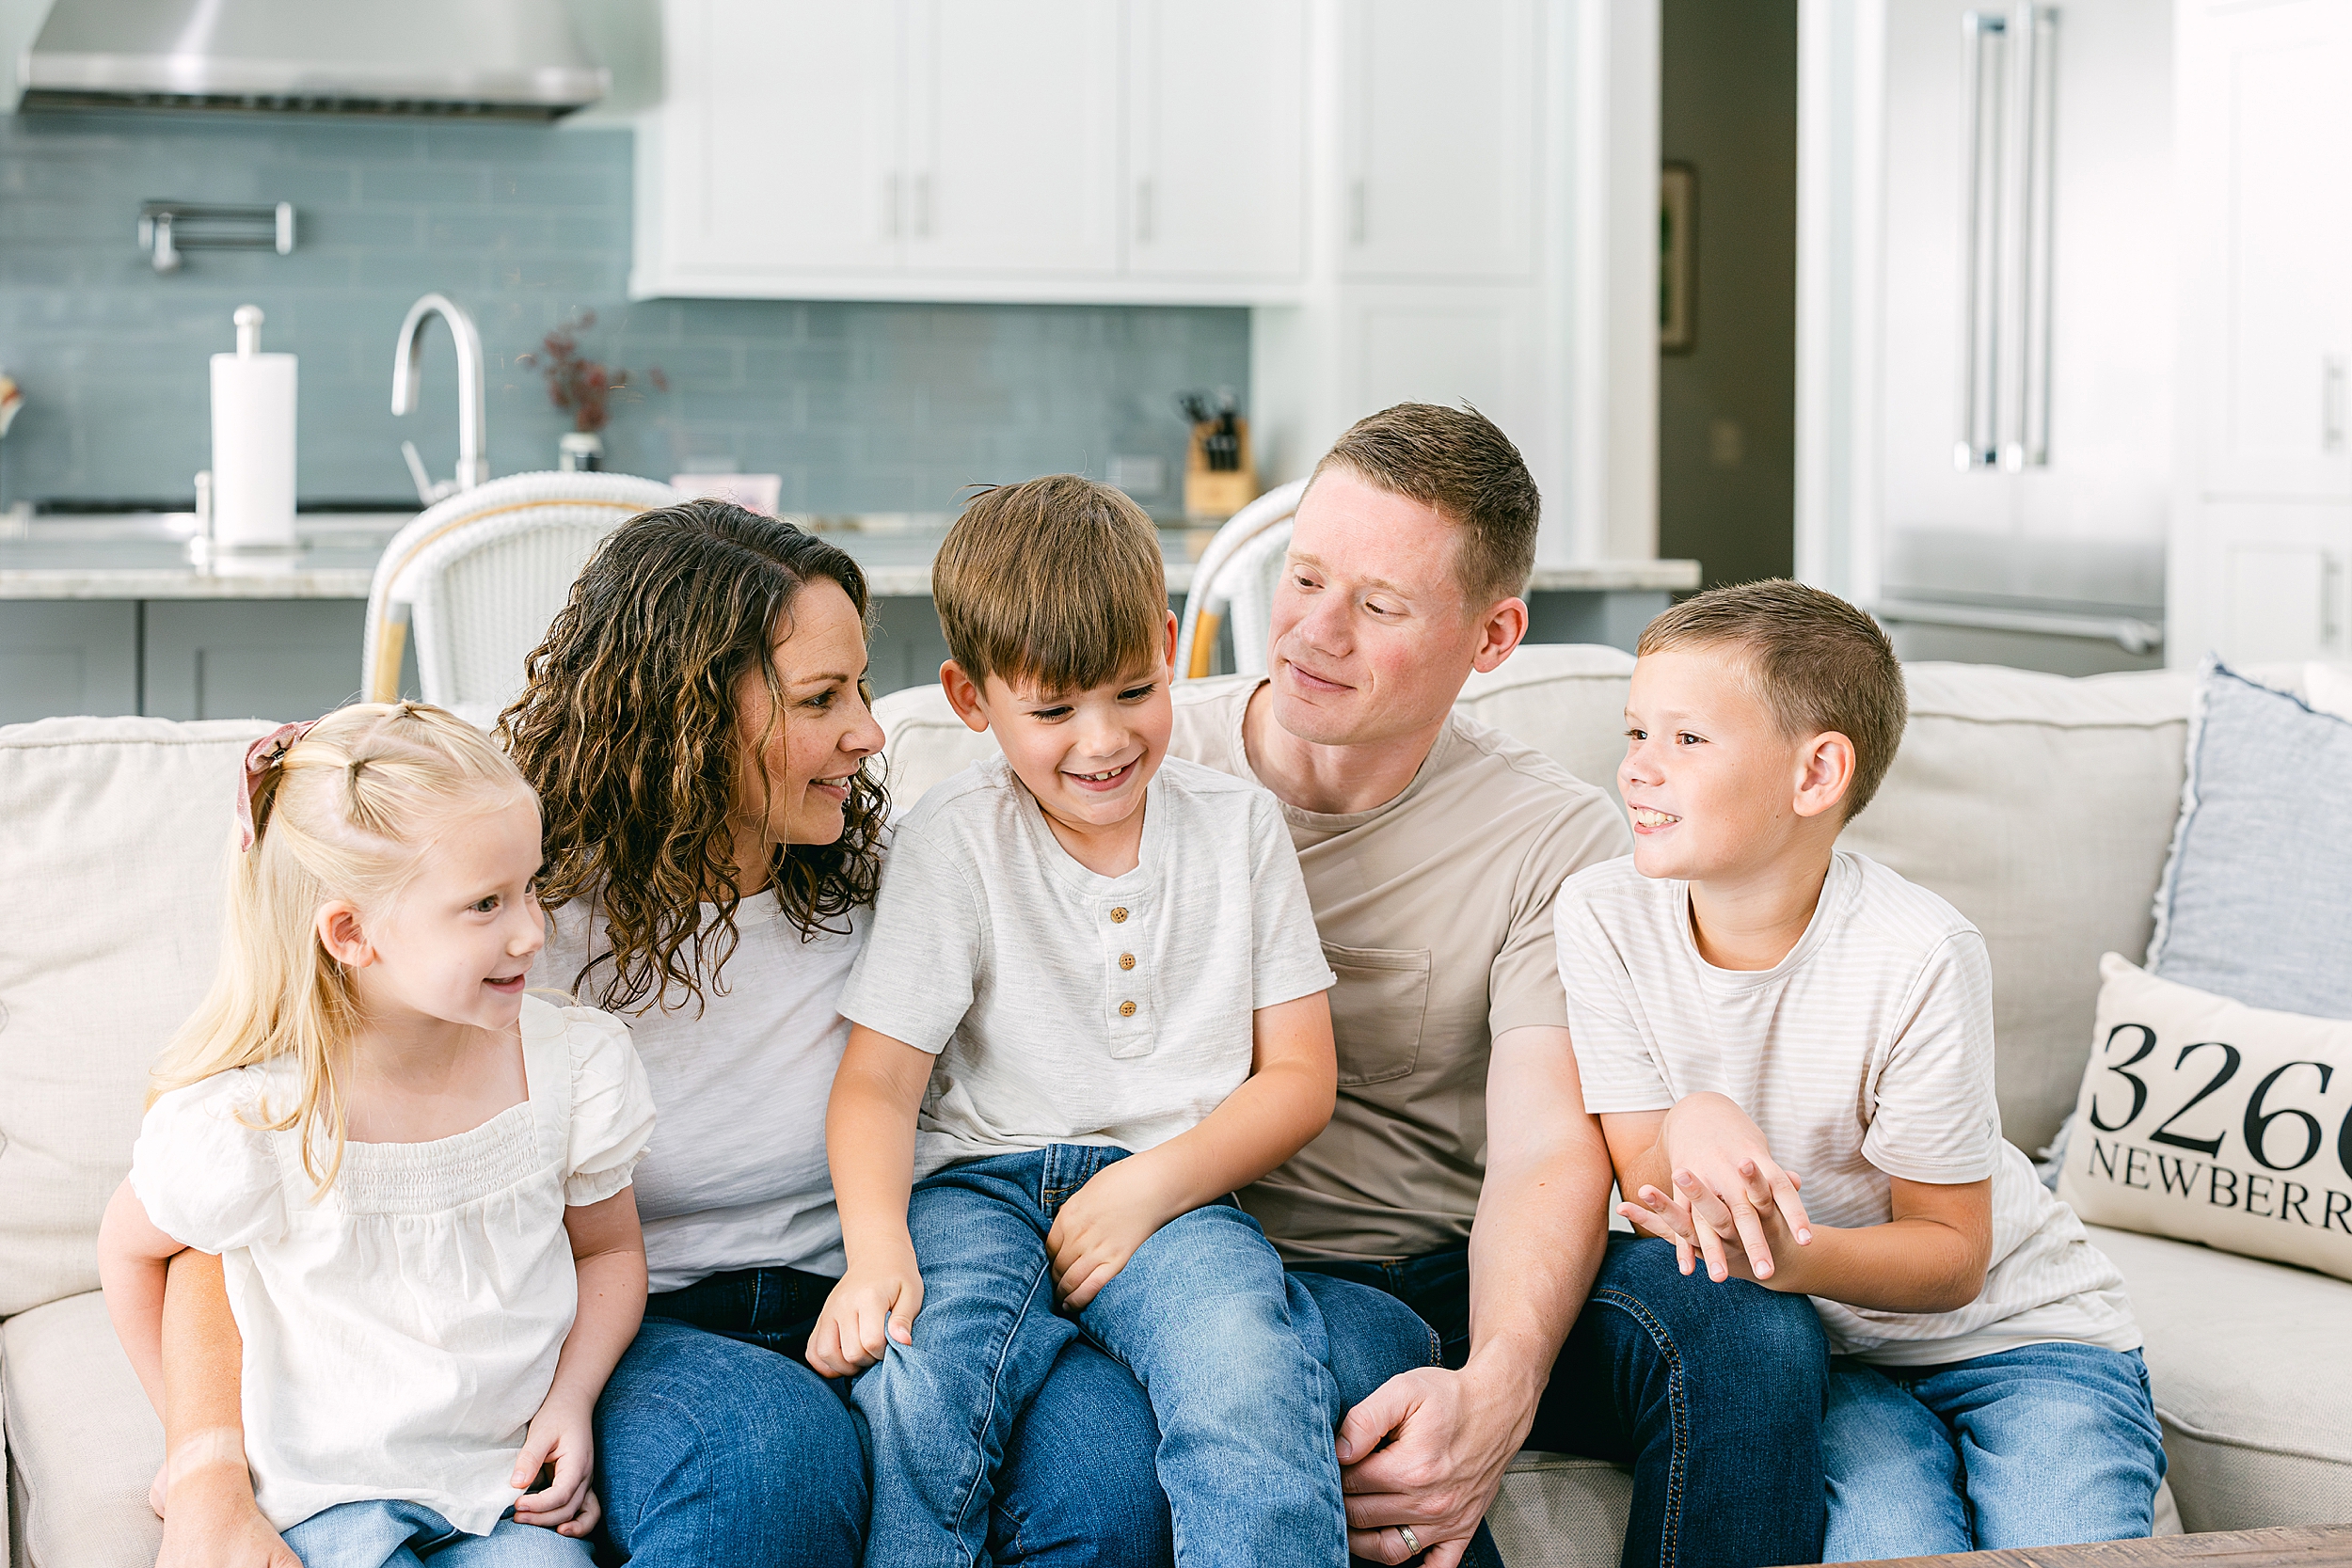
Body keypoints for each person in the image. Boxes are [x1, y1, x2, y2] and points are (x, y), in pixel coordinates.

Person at [141, 501, 1187, 1568]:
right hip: (652, 1324)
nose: (871, 732)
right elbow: (215, 1223)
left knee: (1106, 1484)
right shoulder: (509, 930)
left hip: (900, 1292)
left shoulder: (903, 887)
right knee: (769, 1468)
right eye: (822, 698)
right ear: (686, 717)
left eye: (861, 687)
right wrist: (211, 1473)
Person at [1165, 404, 1833, 1568]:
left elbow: (1542, 1144)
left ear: (1493, 636)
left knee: (1748, 1324)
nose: (1314, 631)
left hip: (1475, 1257)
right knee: (1378, 1404)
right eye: (1304, 577)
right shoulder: (1149, 769)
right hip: (1261, 1279)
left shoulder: (1551, 836)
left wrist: (1501, 1387)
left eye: (1377, 606)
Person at [1565, 580, 2166, 1560]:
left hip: (2020, 1336)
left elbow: (1950, 1255)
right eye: (1635, 732)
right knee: (1888, 1539)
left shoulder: (1918, 951)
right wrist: (1694, 1116)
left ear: (1815, 774)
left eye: (1685, 740)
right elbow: (1647, 1182)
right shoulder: (1601, 913)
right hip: (1830, 1353)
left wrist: (1784, 1258)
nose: (1637, 769)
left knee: (2064, 1537)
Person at [817, 476, 1355, 1567]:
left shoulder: (1239, 828)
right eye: (1053, 710)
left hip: (1174, 1187)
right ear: (971, 699)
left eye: (1132, 690)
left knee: (1247, 1373)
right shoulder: (950, 840)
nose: (1102, 741)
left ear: (1170, 645)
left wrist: (1151, 1183)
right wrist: (874, 1249)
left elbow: (1299, 1075)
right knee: (922, 1382)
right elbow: (878, 1082)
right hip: (976, 1184)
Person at [96, 703, 656, 1566]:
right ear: (351, 933)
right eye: (484, 904)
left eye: (531, 885)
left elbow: (610, 1251)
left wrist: (571, 1400)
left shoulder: (573, 1064)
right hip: (319, 1501)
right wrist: (195, 1451)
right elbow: (130, 1249)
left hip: (501, 1493)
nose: (532, 930)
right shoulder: (257, 1116)